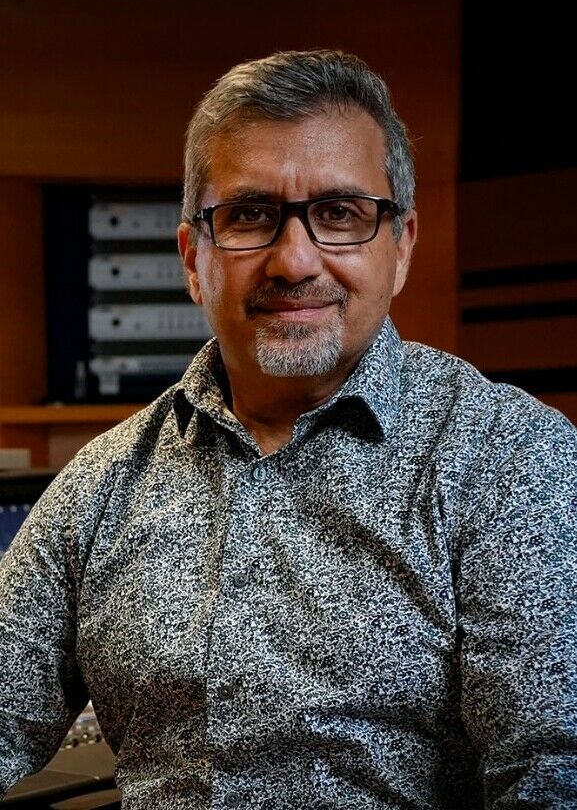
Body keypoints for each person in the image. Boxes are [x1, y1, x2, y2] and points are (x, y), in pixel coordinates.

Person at [1, 50, 576, 810]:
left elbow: (554, 776)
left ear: (401, 246)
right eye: (249, 216)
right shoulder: (99, 487)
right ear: (193, 258)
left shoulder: (508, 459)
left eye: (339, 214)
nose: (294, 260)